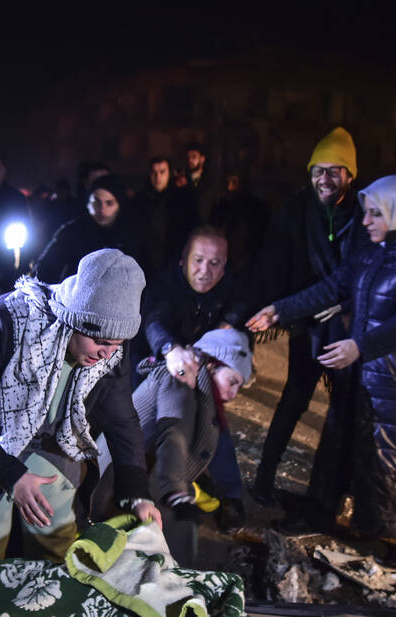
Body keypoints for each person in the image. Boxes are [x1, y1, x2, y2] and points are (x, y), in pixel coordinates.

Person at [0, 249, 161, 560]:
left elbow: (122, 420)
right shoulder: (8, 320)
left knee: (57, 521)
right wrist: (11, 476)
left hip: (51, 433)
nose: (107, 354)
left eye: (117, 345)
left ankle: (44, 595)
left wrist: (138, 494)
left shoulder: (111, 346)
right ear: (74, 320)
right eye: (101, 342)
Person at [248, 175, 396, 568]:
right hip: (365, 369)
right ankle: (319, 511)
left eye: (376, 213)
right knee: (339, 442)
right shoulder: (376, 247)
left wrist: (360, 346)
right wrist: (280, 310)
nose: (366, 221)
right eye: (367, 212)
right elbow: (334, 286)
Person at [250, 126, 367, 518]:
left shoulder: (363, 213)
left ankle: (337, 489)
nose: (325, 178)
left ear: (350, 175)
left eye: (336, 170)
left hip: (346, 327)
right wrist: (272, 306)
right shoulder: (297, 209)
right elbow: (274, 258)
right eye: (319, 169)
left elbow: (356, 274)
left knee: (344, 408)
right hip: (307, 320)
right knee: (294, 399)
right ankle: (264, 477)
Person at [139, 227, 251, 525]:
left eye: (215, 264)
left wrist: (229, 327)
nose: (205, 271)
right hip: (156, 368)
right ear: (183, 260)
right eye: (198, 261)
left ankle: (231, 495)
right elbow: (154, 321)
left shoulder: (230, 290)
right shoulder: (163, 285)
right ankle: (163, 488)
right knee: (168, 425)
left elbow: (242, 310)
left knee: (212, 417)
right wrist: (170, 348)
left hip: (200, 373)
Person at [132, 328, 252, 564]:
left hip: (150, 473)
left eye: (239, 387)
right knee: (176, 548)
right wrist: (176, 493)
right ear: (211, 365)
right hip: (134, 477)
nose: (234, 393)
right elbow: (173, 436)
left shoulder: (201, 392)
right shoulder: (181, 382)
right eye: (232, 381)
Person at [33, 174, 142, 284]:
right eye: (97, 202)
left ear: (119, 205)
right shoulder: (71, 233)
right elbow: (44, 271)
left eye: (109, 203)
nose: (102, 209)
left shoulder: (132, 235)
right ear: (88, 203)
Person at [130, 155, 198, 279]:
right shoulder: (139, 200)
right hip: (145, 263)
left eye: (162, 172)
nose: (158, 177)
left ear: (169, 173)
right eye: (154, 172)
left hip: (173, 260)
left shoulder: (182, 199)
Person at [0, 151, 33, 293]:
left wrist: (22, 268)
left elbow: (27, 233)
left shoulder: (16, 198)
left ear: (4, 170)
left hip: (8, 267)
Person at [184, 141, 217, 224]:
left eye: (194, 157)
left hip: (206, 228)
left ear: (202, 159)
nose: (190, 160)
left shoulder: (211, 181)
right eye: (188, 157)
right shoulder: (181, 180)